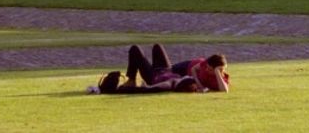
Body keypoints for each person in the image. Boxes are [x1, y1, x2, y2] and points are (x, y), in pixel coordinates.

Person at [94, 44, 229, 94]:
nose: (222, 72)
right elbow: (192, 71)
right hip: (168, 71)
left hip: (154, 76)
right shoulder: (200, 69)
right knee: (157, 46)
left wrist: (217, 72)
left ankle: (131, 79)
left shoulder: (218, 78)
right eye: (218, 69)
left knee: (135, 49)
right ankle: (132, 79)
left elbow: (225, 90)